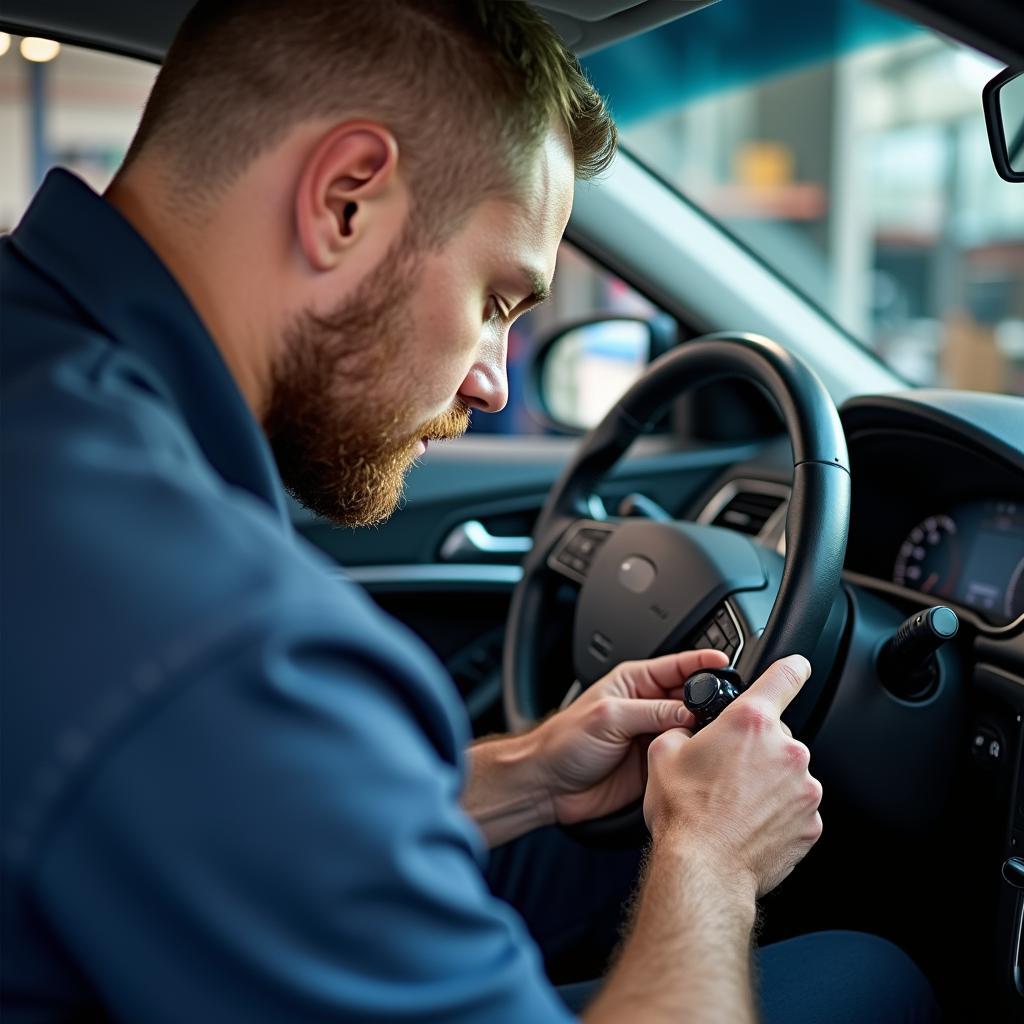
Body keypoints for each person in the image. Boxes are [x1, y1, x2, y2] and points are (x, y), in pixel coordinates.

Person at [0, 2, 940, 1021]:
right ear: (346, 201)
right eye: (495, 300)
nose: (492, 383)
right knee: (868, 976)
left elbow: (230, 806)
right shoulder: (214, 636)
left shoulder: (49, 399)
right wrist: (710, 858)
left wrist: (524, 775)